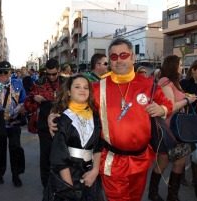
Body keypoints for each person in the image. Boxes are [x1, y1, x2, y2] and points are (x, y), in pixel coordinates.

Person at [49, 37, 173, 201]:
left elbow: (168, 104)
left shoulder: (148, 85)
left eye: (123, 55)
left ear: (132, 57)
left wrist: (161, 109)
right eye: (113, 57)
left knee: (135, 198)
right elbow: (71, 103)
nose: (119, 60)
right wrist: (52, 114)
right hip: (111, 161)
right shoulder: (97, 87)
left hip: (141, 159)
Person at [43, 74, 102, 201]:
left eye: (86, 87)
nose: (82, 90)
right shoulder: (62, 119)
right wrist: (70, 189)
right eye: (77, 87)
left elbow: (98, 146)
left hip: (90, 175)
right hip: (68, 177)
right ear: (69, 92)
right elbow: (59, 158)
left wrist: (95, 171)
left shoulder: (95, 116)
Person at [148, 55, 197, 201]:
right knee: (162, 162)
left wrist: (184, 99)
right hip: (169, 130)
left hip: (177, 128)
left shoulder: (173, 82)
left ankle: (172, 195)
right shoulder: (165, 82)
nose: (182, 67)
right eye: (180, 65)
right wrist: (186, 100)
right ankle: (154, 193)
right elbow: (169, 108)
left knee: (180, 161)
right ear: (173, 66)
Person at [24, 58, 66, 192]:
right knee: (46, 156)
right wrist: (33, 98)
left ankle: (62, 183)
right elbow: (28, 105)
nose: (52, 77)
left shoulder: (66, 83)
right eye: (49, 74)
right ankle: (46, 185)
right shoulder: (39, 83)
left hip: (64, 125)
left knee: (63, 156)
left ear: (58, 70)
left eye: (54, 74)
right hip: (44, 125)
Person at [0, 61, 26, 187]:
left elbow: (24, 99)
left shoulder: (18, 83)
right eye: (0, 72)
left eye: (6, 72)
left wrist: (21, 109)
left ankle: (16, 175)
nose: (3, 74)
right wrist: (0, 85)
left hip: (14, 122)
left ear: (11, 72)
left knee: (15, 149)